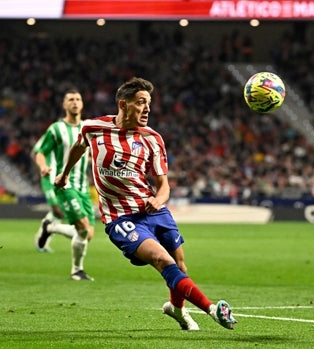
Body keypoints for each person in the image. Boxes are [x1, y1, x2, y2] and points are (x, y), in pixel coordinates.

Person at [54, 77, 237, 331]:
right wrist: (64, 174)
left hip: (154, 210)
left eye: (149, 103)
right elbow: (78, 147)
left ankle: (178, 310)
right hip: (121, 218)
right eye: (141, 103)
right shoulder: (93, 128)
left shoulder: (153, 139)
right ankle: (212, 309)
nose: (148, 109)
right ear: (123, 104)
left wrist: (158, 200)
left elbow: (164, 186)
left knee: (180, 265)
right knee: (163, 261)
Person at [35, 89, 96, 281]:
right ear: (64, 105)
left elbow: (93, 153)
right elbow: (40, 152)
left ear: (82, 104)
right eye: (70, 99)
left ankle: (51, 227)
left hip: (83, 188)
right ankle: (77, 271)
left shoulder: (88, 127)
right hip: (65, 184)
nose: (75, 102)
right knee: (83, 229)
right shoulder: (56, 129)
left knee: (88, 234)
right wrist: (43, 166)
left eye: (78, 99)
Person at [33, 133, 77, 253]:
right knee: (57, 210)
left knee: (59, 212)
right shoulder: (50, 136)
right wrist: (43, 167)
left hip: (60, 178)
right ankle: (46, 232)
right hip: (48, 178)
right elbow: (36, 152)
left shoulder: (67, 139)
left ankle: (42, 238)